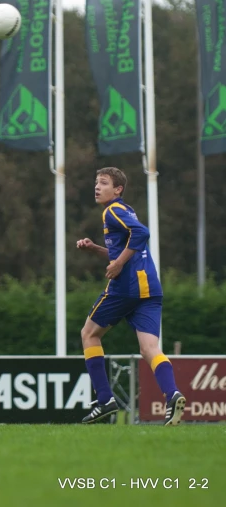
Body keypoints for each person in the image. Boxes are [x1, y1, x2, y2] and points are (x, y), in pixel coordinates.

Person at [76, 167, 185, 425]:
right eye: (96, 182)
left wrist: (117, 265)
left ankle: (104, 400)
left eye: (103, 183)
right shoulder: (125, 211)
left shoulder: (113, 210)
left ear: (118, 190)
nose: (97, 187)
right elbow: (128, 247)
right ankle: (173, 395)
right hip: (150, 289)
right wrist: (95, 249)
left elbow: (142, 234)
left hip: (127, 288)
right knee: (149, 349)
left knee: (89, 334)